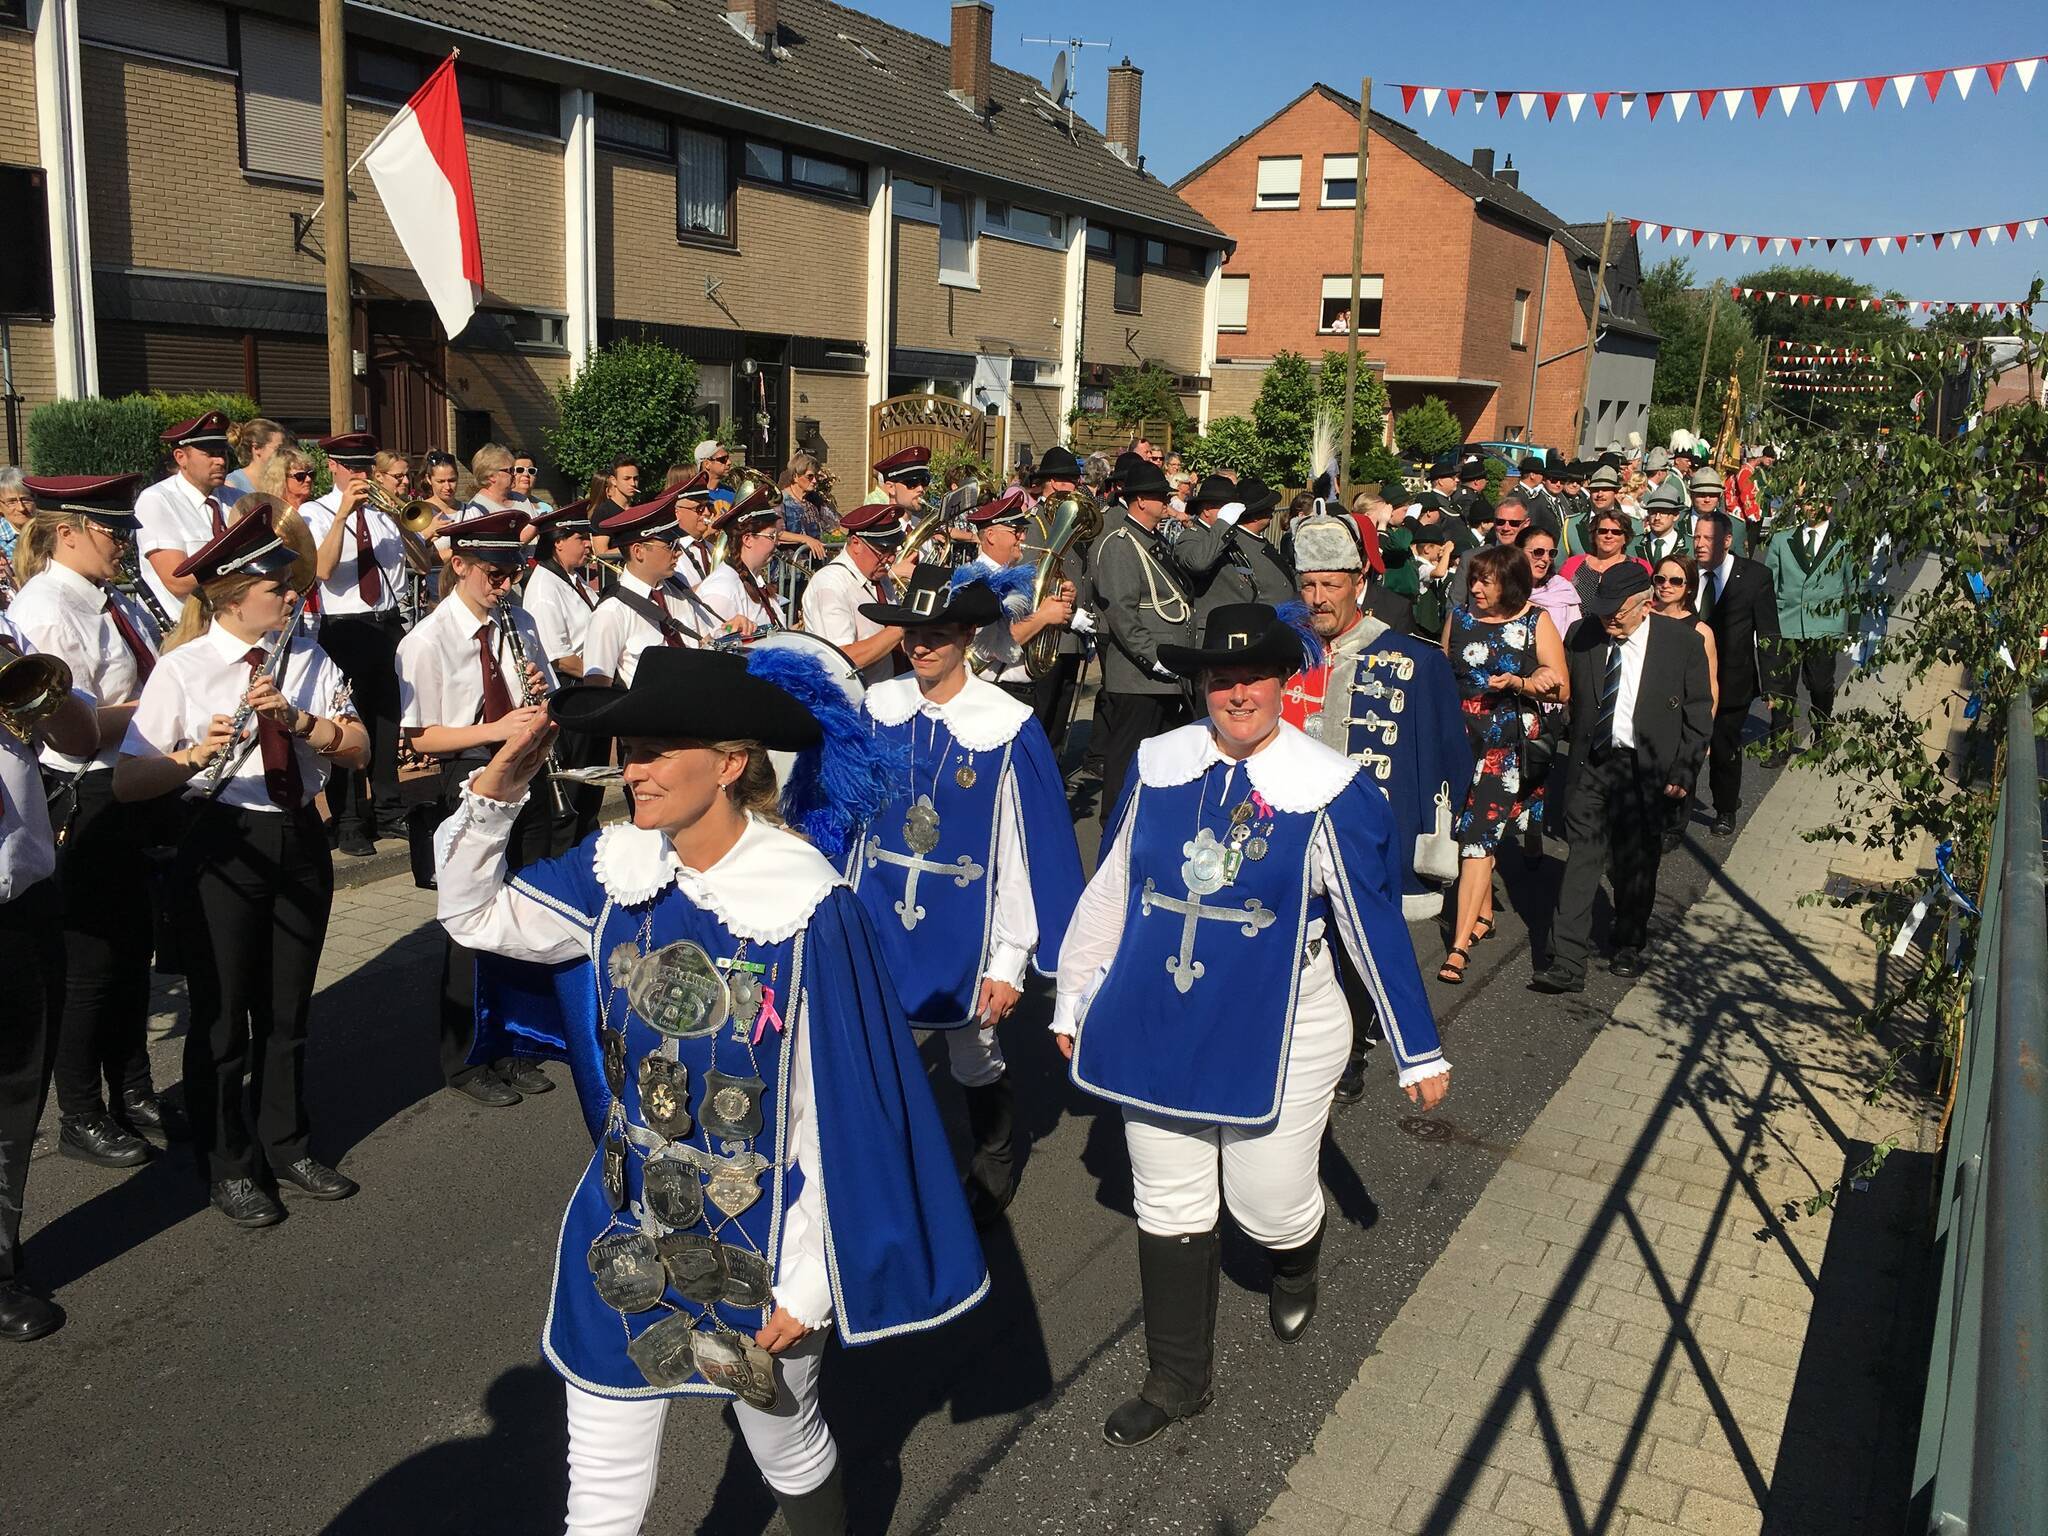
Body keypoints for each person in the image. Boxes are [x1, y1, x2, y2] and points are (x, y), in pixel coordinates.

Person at [435, 643, 987, 1535]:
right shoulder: (618, 867)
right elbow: (473, 916)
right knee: (601, 1476)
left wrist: (808, 1283)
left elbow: (839, 1113)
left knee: (784, 1440)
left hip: (759, 1235)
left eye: (657, 751)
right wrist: (496, 791)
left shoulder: (808, 906)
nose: (633, 770)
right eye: (628, 750)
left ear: (730, 765)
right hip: (623, 1220)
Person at [1052, 602, 1450, 1447]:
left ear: (1282, 682)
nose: (1238, 694)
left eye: (1254, 678)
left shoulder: (1327, 787)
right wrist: (1075, 990)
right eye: (1221, 679)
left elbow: (1370, 926)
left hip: (1286, 1027)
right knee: (1168, 1198)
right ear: (1201, 686)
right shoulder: (1160, 764)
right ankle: (1176, 1379)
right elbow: (1115, 882)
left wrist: (1416, 1048)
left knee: (1264, 1204)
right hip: (1160, 1013)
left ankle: (1294, 1253)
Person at [112, 505, 367, 1227]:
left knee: (288, 1009)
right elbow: (129, 782)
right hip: (222, 839)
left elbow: (358, 750)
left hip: (298, 834)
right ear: (229, 597)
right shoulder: (184, 669)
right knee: (222, 1017)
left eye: (289, 584)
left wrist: (299, 722)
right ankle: (228, 1163)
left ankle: (286, 1144)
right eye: (275, 587)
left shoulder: (307, 657)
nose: (291, 595)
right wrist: (193, 753)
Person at [851, 565, 1083, 1224]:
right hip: (878, 913)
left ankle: (994, 1153)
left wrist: (1009, 959)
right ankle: (886, 1163)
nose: (920, 647)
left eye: (938, 635)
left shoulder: (1005, 724)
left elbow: (1022, 850)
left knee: (971, 1048)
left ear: (967, 637)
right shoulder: (879, 707)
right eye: (911, 634)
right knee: (875, 1045)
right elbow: (850, 825)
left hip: (966, 925)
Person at [11, 472, 183, 1172]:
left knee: (133, 951)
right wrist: (170, 705)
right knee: (89, 967)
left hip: (133, 784)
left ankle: (133, 1091)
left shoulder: (113, 597)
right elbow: (75, 733)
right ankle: (79, 1114)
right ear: (68, 532)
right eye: (113, 532)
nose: (125, 545)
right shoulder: (48, 608)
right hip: (86, 795)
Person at [1285, 514, 1471, 1103]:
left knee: (1358, 942)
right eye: (1308, 585)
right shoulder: (1280, 654)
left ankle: (1351, 1050)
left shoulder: (1415, 661)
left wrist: (1429, 838)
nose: (1318, 598)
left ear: (1358, 582)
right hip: (1285, 829)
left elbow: (1447, 760)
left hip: (1363, 838)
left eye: (1330, 585)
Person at [396, 510, 558, 1111]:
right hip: (466, 778)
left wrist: (538, 694)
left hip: (522, 770)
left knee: (520, 908)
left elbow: (542, 694)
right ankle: (466, 1056)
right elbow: (420, 737)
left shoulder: (519, 620)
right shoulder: (426, 641)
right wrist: (496, 728)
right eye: (495, 573)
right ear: (460, 565)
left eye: (513, 572)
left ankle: (513, 1039)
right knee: (470, 924)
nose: (506, 584)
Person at [1530, 565, 1712, 993]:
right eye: (1604, 609)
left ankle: (1629, 940)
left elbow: (1698, 713)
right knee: (1582, 857)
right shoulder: (1584, 635)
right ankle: (1567, 961)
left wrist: (1684, 769)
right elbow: (1565, 690)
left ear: (1646, 605)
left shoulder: (1682, 643)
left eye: (1618, 611)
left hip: (1645, 768)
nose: (1609, 618)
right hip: (1592, 764)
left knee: (1636, 862)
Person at [0, 607, 97, 1339]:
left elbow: (79, 740)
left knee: (15, 1098)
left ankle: (1, 1260)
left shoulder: (9, 639)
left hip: (25, 908)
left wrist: (35, 691)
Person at [1439, 545, 1567, 985]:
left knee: (1477, 839)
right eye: (1473, 579)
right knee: (1465, 832)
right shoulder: (1459, 617)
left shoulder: (1535, 621)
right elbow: (1443, 673)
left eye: (1485, 581)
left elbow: (1562, 689)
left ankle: (1458, 947)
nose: (1475, 588)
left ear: (1510, 584)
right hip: (1459, 740)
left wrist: (1522, 682)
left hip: (1504, 746)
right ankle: (1484, 915)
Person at [303, 433, 404, 858]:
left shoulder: (383, 516)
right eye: (352, 467)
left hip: (386, 622)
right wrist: (343, 513)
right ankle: (348, 819)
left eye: (365, 467)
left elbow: (418, 564)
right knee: (345, 720)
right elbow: (321, 570)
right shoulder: (312, 512)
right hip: (343, 626)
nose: (360, 475)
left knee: (386, 721)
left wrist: (409, 523)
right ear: (332, 466)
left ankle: (388, 809)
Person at [1089, 460, 1195, 814]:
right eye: (1159, 496)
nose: (1166, 502)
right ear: (1140, 501)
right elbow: (1122, 612)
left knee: (1160, 760)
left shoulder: (1153, 539)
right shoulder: (1120, 544)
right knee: (1126, 758)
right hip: (1139, 676)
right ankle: (1114, 823)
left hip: (1165, 673)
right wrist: (1153, 657)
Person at [583, 491, 749, 689]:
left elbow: (705, 641)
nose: (678, 552)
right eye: (670, 545)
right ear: (638, 551)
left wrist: (730, 629)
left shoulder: (677, 589)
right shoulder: (611, 612)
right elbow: (597, 688)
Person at [521, 503, 604, 850]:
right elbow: (560, 658)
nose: (588, 544)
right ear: (558, 542)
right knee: (575, 785)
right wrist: (607, 676)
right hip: (572, 692)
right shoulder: (544, 588)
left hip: (592, 688)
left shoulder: (572, 579)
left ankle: (587, 849)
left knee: (594, 783)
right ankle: (567, 855)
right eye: (580, 538)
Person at [1691, 509, 1778, 836]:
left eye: (1708, 538)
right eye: (1697, 537)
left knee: (1724, 748)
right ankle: (1674, 820)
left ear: (1727, 541)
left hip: (1733, 680)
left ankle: (1725, 808)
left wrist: (1772, 684)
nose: (1700, 544)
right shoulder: (1685, 573)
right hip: (1689, 679)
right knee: (1685, 748)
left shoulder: (1754, 577)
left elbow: (1768, 632)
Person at [958, 490, 1075, 712]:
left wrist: (1060, 600)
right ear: (991, 535)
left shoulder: (1015, 576)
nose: (1022, 538)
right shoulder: (977, 580)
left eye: (1023, 531)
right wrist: (1043, 616)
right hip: (994, 692)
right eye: (1016, 531)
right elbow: (993, 646)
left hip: (1019, 690)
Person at [1761, 491, 1853, 761]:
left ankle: (1822, 735)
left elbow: (1855, 583)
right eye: (1808, 502)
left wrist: (1855, 626)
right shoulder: (1782, 539)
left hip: (1824, 625)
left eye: (1820, 502)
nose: (1813, 507)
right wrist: (1764, 624)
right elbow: (1768, 583)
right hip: (1786, 622)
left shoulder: (1844, 540)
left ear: (1830, 506)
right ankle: (1780, 744)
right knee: (1781, 688)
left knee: (1821, 685)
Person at [133, 412, 237, 628]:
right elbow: (177, 581)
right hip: (183, 629)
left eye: (223, 453)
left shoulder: (239, 500)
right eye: (210, 454)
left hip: (233, 627)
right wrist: (240, 563)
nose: (220, 461)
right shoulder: (157, 500)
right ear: (181, 457)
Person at [798, 503, 913, 687]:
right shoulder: (830, 585)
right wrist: (901, 627)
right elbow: (841, 658)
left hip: (888, 690)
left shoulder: (879, 576)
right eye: (883, 550)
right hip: (855, 698)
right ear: (856, 543)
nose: (891, 559)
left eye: (894, 550)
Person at [1171, 476, 1296, 618]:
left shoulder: (1226, 535)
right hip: (1213, 624)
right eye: (1227, 507)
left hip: (1241, 620)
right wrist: (1223, 523)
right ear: (1207, 510)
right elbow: (1197, 563)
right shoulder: (1193, 535)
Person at [697, 489, 788, 631]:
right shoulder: (721, 590)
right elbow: (714, 640)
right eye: (772, 536)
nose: (778, 542)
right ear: (748, 539)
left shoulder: (754, 579)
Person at [1559, 510, 1650, 605]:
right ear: (1594, 535)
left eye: (1616, 532)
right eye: (1603, 531)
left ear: (1625, 538)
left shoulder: (1640, 567)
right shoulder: (1572, 564)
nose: (1608, 536)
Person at [1521, 528, 1581, 642]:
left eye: (1551, 553)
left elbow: (1575, 637)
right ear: (1519, 552)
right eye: (1538, 552)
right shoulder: (1503, 588)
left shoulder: (1563, 590)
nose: (1545, 559)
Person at [1631, 477, 1691, 566]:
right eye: (1653, 512)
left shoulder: (1690, 545)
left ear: (1675, 515)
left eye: (1663, 512)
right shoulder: (1633, 544)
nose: (1657, 517)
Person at [223, 418, 286, 499]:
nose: (283, 453)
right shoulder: (233, 483)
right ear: (256, 448)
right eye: (277, 449)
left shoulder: (280, 481)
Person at [695, 439, 738, 510]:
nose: (729, 462)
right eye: (723, 459)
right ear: (707, 464)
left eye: (728, 458)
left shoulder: (731, 492)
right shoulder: (695, 495)